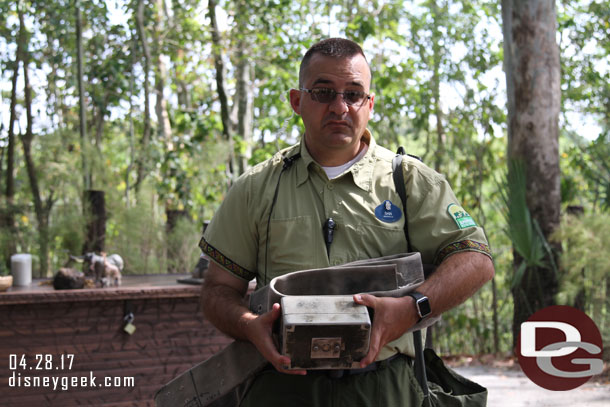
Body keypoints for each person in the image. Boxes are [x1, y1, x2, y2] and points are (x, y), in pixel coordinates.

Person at [200, 38, 494, 406]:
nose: (339, 107)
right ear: (297, 101)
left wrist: (410, 309)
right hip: (282, 387)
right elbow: (217, 290)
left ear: (369, 105)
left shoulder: (411, 181)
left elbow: (475, 259)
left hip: (385, 388)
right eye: (323, 92)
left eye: (353, 94)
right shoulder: (256, 188)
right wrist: (248, 326)